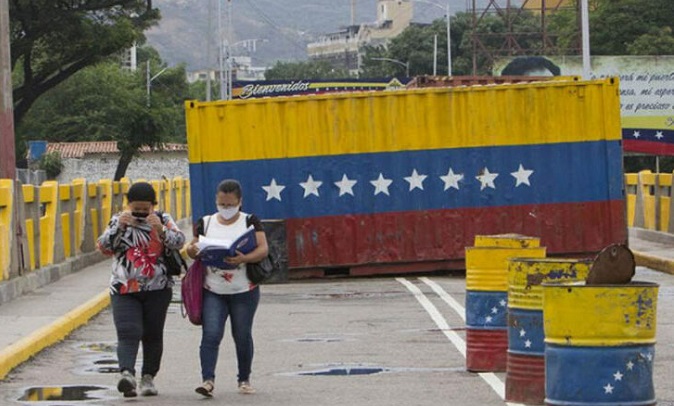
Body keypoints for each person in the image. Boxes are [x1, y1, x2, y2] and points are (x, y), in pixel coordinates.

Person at [97, 181, 186, 398]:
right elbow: (103, 247)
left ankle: (148, 378)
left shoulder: (163, 220)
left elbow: (179, 241)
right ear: (129, 205)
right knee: (128, 332)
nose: (140, 214)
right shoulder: (119, 220)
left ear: (153, 206)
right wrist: (120, 227)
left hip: (158, 288)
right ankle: (126, 374)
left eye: (145, 210)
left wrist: (160, 230)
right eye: (136, 209)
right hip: (124, 287)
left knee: (153, 334)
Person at [185, 179, 269, 398]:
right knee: (211, 333)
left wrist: (245, 258)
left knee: (242, 334)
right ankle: (207, 380)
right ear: (216, 200)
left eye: (231, 205)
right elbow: (192, 247)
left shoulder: (250, 221)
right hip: (213, 288)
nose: (226, 208)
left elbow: (263, 249)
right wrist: (193, 250)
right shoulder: (206, 222)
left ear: (240, 202)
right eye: (222, 204)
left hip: (244, 289)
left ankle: (244, 378)